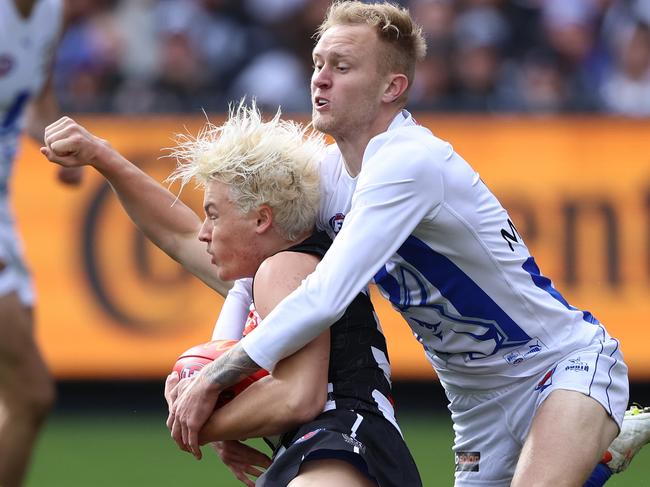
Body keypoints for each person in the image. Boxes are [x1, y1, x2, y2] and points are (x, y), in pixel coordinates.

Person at [39, 2, 649, 486]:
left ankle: (592, 436)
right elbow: (195, 242)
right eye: (318, 62)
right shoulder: (331, 175)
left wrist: (215, 378)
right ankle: (601, 453)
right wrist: (106, 159)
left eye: (343, 66)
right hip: (477, 409)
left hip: (557, 366)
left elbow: (327, 294)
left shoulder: (410, 161)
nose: (320, 79)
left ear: (392, 87)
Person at [0, 1, 83, 486]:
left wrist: (55, 140)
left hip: (5, 213)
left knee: (16, 401)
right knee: (32, 394)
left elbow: (36, 100)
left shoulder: (53, 13)